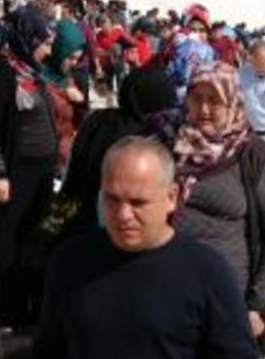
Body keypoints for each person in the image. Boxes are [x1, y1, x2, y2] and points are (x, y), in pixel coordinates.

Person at [35, 137, 259, 359]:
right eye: (112, 199)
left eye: (137, 202)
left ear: (172, 197)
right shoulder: (70, 262)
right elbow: (49, 354)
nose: (123, 214)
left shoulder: (207, 272)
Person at [161, 62, 265, 359]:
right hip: (168, 299)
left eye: (215, 100)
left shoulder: (252, 154)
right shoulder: (166, 143)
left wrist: (256, 305)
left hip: (231, 306)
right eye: (197, 98)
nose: (204, 109)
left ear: (233, 101)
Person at [0, 6, 58, 329]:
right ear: (29, 37)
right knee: (9, 243)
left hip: (40, 172)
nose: (49, 50)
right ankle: (9, 311)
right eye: (45, 42)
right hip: (15, 172)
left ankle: (31, 309)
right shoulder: (1, 71)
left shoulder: (30, 69)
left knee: (36, 239)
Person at [58, 67, 177, 237]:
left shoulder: (97, 119)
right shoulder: (152, 135)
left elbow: (72, 166)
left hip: (74, 216)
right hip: (119, 227)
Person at [42, 20, 86, 172]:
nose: (74, 63)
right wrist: (63, 93)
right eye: (71, 57)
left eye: (77, 58)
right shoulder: (38, 77)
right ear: (59, 49)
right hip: (46, 161)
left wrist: (80, 103)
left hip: (63, 157)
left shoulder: (65, 77)